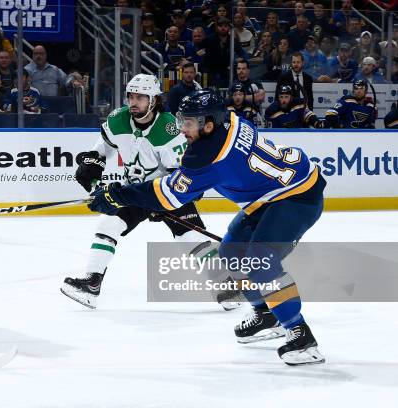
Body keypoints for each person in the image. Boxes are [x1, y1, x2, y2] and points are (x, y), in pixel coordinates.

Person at [88, 88, 327, 366]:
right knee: (229, 254)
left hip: (298, 196)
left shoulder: (208, 155)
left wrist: (118, 195)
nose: (182, 129)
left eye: (188, 123)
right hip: (270, 196)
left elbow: (169, 196)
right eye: (181, 120)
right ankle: (266, 314)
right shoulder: (232, 120)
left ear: (208, 124)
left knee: (260, 261)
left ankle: (301, 336)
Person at [61, 74, 207, 310]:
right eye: (131, 96)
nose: (133, 102)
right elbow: (105, 145)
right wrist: (93, 164)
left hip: (167, 190)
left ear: (154, 100)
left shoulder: (169, 128)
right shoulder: (118, 120)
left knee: (190, 237)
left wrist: (162, 201)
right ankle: (92, 284)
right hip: (134, 191)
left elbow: (180, 176)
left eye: (140, 97)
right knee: (108, 224)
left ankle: (226, 287)